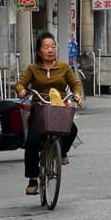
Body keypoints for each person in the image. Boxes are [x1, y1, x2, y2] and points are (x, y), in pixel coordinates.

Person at [15, 31, 83, 196]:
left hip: (59, 108)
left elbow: (75, 84)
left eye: (53, 46)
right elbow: (20, 84)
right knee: (31, 142)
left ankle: (63, 152)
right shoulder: (33, 68)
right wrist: (22, 91)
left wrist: (77, 95)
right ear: (39, 51)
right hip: (40, 109)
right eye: (46, 47)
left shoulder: (64, 67)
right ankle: (32, 179)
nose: (50, 50)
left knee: (72, 130)